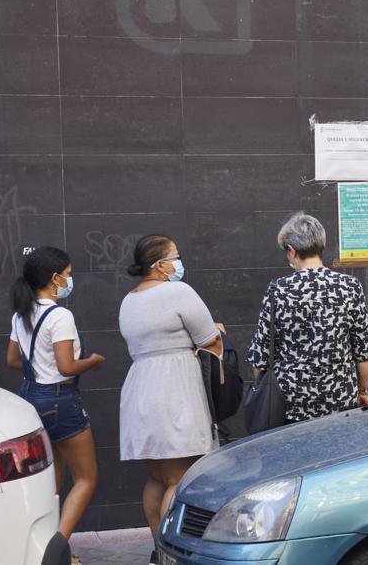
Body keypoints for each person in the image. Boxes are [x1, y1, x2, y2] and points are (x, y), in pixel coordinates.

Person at [118, 234, 224, 546]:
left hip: (140, 389)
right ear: (161, 266)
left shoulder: (129, 300)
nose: (179, 263)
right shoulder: (178, 291)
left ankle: (157, 548)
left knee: (157, 478)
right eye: (175, 257)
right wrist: (215, 331)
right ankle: (171, 551)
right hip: (174, 390)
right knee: (180, 480)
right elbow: (209, 339)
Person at [5, 247, 103, 545]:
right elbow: (67, 367)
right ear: (55, 277)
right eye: (68, 275)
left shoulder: (22, 313)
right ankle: (55, 549)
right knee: (86, 479)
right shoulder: (60, 315)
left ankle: (41, 545)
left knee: (53, 479)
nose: (69, 281)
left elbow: (12, 360)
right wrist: (94, 361)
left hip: (30, 397)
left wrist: (41, 368)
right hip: (60, 401)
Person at [250, 212, 368, 421]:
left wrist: (261, 391)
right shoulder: (349, 286)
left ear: (291, 251)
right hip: (340, 399)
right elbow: (364, 350)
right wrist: (363, 391)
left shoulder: (278, 289)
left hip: (290, 401)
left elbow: (261, 354)